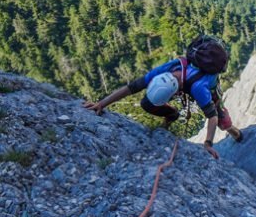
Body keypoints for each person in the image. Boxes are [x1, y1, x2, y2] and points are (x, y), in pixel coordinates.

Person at [83, 35, 244, 158]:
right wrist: (101, 104)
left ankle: (235, 132)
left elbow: (212, 117)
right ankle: (171, 114)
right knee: (147, 103)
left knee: (222, 119)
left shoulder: (199, 88)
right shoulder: (165, 70)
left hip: (206, 86)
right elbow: (131, 87)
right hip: (185, 83)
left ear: (175, 91)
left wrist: (208, 143)